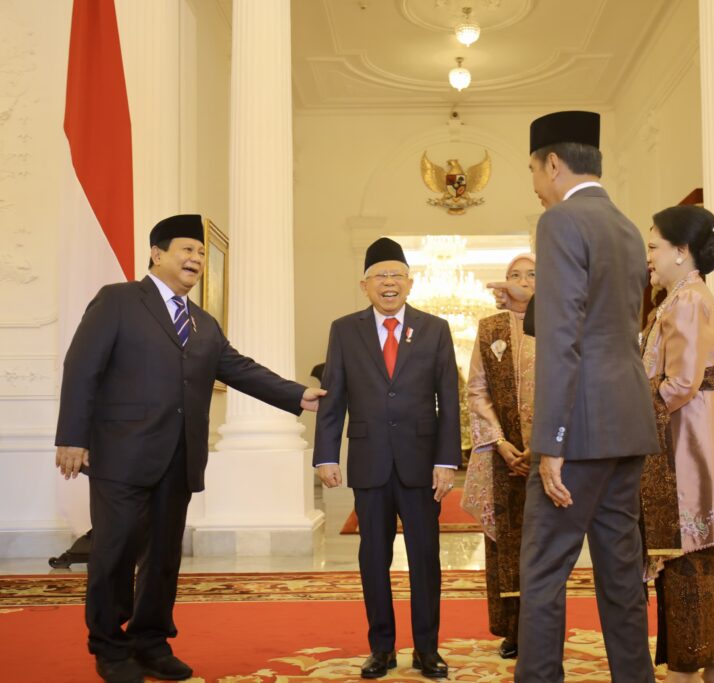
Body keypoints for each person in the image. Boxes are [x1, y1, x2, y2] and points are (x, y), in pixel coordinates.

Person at [55, 214, 325, 683]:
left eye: (201, 253)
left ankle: (151, 640)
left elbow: (239, 368)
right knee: (115, 551)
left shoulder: (203, 322)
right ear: (157, 254)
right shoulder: (118, 301)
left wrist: (296, 395)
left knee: (163, 556)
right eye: (186, 250)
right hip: (120, 453)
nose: (196, 259)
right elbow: (81, 368)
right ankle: (109, 646)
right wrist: (71, 437)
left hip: (179, 456)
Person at [496, 111, 660, 683]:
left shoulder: (562, 221)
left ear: (554, 163)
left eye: (535, 172)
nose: (536, 184)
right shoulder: (627, 227)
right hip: (627, 422)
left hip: (581, 428)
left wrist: (552, 442)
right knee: (621, 572)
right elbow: (611, 325)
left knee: (542, 571)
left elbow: (564, 338)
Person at [313, 237, 461, 680]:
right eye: (381, 276)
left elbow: (448, 400)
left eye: (397, 275)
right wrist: (325, 454)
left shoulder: (435, 329)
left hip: (421, 465)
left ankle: (427, 649)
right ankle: (381, 649)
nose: (389, 282)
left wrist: (447, 460)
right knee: (372, 558)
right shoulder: (345, 329)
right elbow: (333, 396)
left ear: (411, 283)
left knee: (425, 559)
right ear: (365, 285)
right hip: (369, 461)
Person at [640, 205, 714, 683]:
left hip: (688, 446)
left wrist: (632, 414)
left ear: (682, 252)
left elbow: (681, 382)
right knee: (705, 557)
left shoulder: (685, 299)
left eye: (653, 246)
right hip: (696, 438)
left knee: (689, 557)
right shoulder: (685, 295)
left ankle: (694, 667)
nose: (649, 257)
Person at [464, 253, 536, 660]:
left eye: (531, 274)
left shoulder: (559, 326)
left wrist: (540, 445)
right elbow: (477, 390)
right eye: (514, 274)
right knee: (506, 545)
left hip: (548, 455)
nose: (522, 281)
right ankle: (512, 629)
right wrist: (500, 441)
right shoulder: (489, 328)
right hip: (503, 455)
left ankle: (542, 629)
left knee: (545, 545)